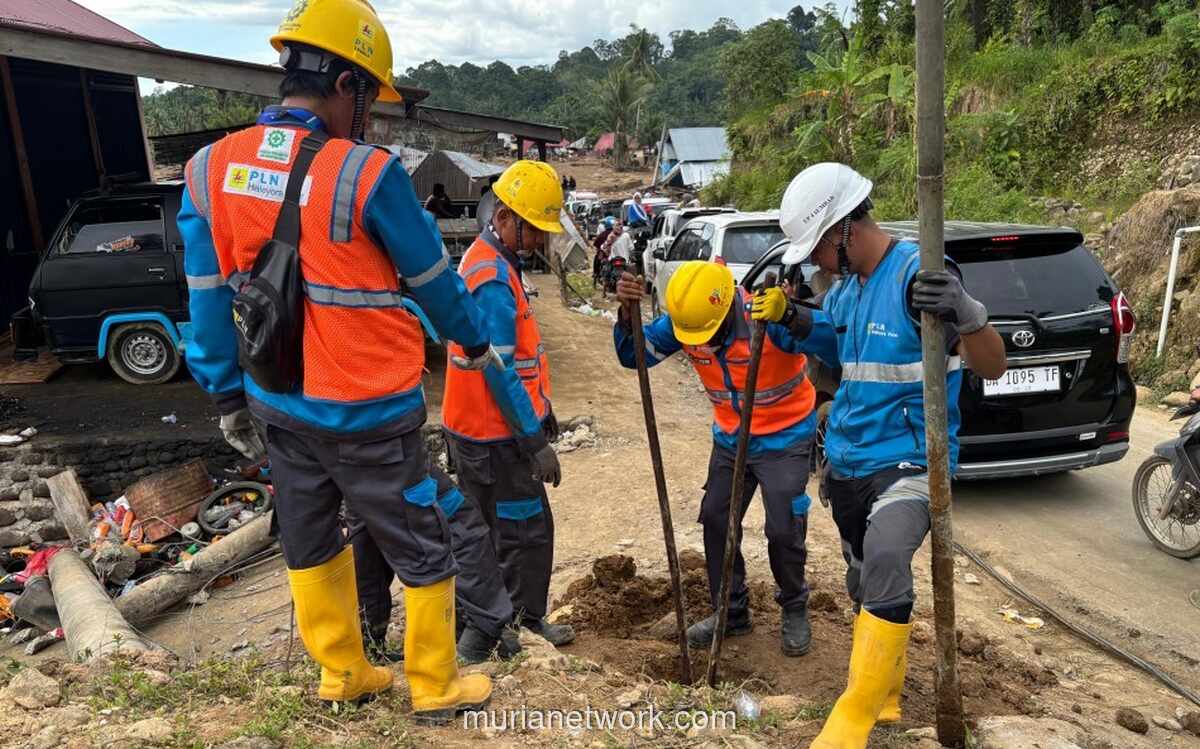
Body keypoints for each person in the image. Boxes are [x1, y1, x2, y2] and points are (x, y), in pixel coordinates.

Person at [179, 0, 498, 722]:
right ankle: (436, 684)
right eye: (370, 100)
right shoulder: (367, 175)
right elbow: (436, 283)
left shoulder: (208, 170)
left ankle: (343, 671)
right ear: (347, 85)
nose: (372, 119)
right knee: (418, 536)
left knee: (310, 531)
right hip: (368, 408)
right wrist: (473, 343)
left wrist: (226, 393)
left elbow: (204, 298)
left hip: (276, 401)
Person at [755, 163, 1006, 749]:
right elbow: (837, 343)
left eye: (817, 247)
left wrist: (966, 314)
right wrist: (792, 316)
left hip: (911, 462)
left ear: (844, 229)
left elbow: (991, 364)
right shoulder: (847, 289)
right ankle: (888, 694)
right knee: (865, 577)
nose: (814, 261)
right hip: (847, 462)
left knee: (889, 555)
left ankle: (857, 712)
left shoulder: (918, 274)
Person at [612, 260, 823, 657]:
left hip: (786, 435)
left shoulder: (765, 317)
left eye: (711, 334)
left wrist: (794, 315)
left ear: (728, 308)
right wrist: (627, 315)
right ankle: (730, 610)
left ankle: (794, 606)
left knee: (782, 527)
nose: (703, 344)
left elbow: (828, 341)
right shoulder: (689, 321)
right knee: (715, 517)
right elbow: (633, 355)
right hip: (730, 438)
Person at [442, 160, 576, 649]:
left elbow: (522, 362)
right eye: (534, 231)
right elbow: (497, 370)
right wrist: (533, 438)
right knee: (525, 533)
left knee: (482, 534)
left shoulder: (489, 261)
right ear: (504, 218)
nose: (539, 242)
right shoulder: (493, 278)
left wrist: (542, 407)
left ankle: (485, 621)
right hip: (494, 435)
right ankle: (517, 624)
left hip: (474, 430)